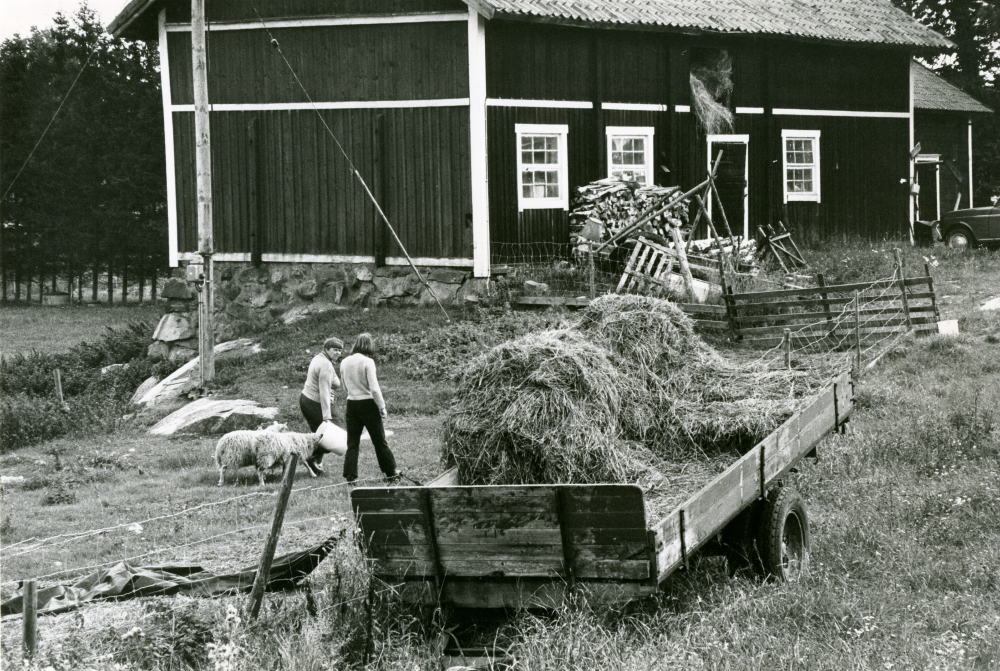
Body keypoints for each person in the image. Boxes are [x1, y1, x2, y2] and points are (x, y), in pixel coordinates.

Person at [341, 333, 398, 483]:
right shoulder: (368, 362)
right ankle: (391, 472)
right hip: (368, 404)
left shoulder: (344, 361)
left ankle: (350, 475)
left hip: (351, 403)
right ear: (369, 346)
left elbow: (344, 385)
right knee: (379, 440)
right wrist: (382, 406)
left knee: (352, 442)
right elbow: (374, 388)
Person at [299, 336, 343, 476]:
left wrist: (335, 383)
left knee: (320, 435)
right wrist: (326, 417)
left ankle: (315, 460)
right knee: (334, 433)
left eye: (340, 350)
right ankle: (311, 457)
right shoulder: (326, 365)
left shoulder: (320, 358)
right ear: (326, 349)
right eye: (334, 350)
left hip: (306, 399)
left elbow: (335, 382)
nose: (338, 353)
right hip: (314, 402)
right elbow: (324, 392)